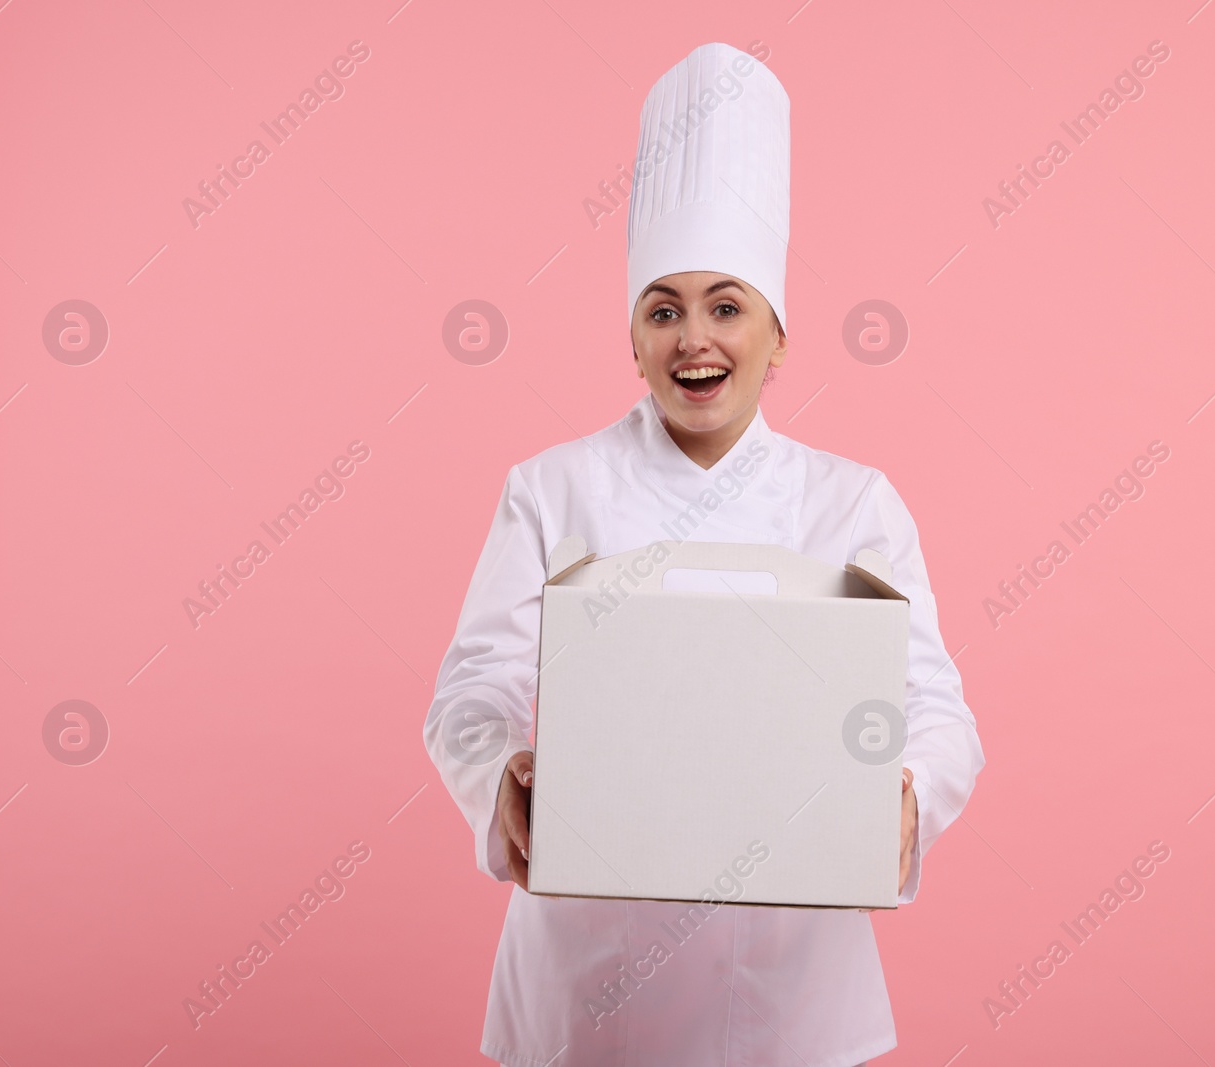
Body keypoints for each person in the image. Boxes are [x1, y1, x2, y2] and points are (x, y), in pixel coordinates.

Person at [424, 41, 985, 1067]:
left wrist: (905, 790)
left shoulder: (851, 501)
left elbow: (938, 710)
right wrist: (498, 771)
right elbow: (471, 689)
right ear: (631, 337)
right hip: (584, 990)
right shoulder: (551, 487)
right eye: (664, 308)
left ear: (779, 335)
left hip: (792, 993)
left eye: (727, 305)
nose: (696, 339)